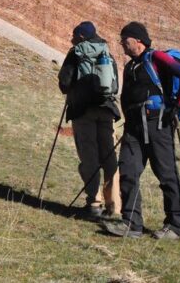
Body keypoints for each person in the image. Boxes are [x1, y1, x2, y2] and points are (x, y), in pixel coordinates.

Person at [104, 22, 180, 240]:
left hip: (158, 123)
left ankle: (174, 226)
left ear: (138, 40)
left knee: (166, 174)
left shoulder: (155, 58)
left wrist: (176, 106)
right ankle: (131, 224)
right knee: (128, 170)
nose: (122, 44)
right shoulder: (130, 65)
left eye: (125, 40)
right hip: (134, 127)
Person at [58, 21, 122, 220]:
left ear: (82, 37)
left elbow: (64, 83)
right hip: (106, 110)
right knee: (109, 157)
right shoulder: (107, 53)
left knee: (89, 156)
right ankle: (115, 206)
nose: (71, 39)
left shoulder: (76, 53)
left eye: (74, 35)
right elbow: (115, 86)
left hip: (83, 111)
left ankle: (94, 204)